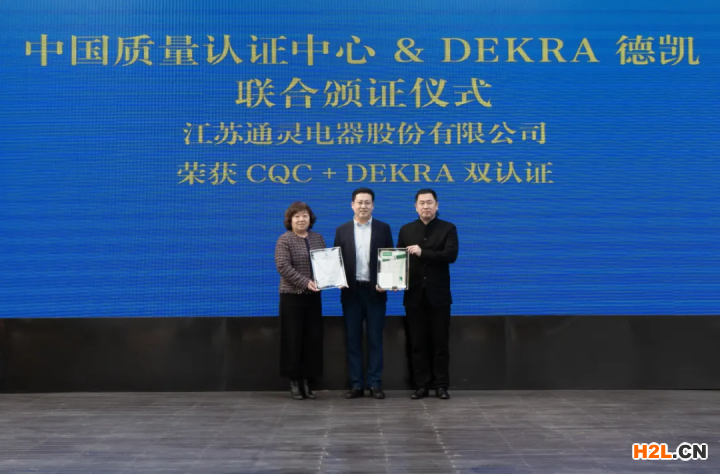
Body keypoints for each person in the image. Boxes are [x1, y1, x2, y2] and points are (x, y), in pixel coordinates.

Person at [397, 189, 458, 400]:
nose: (426, 206)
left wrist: (423, 252)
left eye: (429, 202)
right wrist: (394, 280)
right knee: (417, 343)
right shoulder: (406, 230)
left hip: (439, 295)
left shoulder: (448, 228)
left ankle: (441, 385)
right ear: (415, 206)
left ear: (437, 205)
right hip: (414, 296)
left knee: (440, 342)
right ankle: (421, 385)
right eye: (421, 203)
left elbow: (450, 255)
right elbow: (398, 260)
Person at [334, 188, 394, 399]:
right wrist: (336, 278)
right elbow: (336, 261)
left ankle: (375, 383)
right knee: (353, 339)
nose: (363, 206)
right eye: (359, 202)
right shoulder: (341, 230)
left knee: (375, 338)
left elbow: (390, 258)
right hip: (351, 293)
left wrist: (388, 281)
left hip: (375, 292)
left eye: (367, 202)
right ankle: (357, 384)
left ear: (373, 205)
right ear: (352, 205)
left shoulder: (383, 228)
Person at [275, 202, 325, 400]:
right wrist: (305, 282)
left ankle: (307, 381)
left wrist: (333, 280)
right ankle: (294, 381)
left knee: (312, 339)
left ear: (310, 218)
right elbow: (283, 266)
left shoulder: (318, 238)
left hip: (313, 297)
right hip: (292, 296)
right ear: (290, 220)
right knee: (293, 339)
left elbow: (326, 263)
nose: (301, 219)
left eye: (304, 215)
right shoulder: (284, 239)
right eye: (296, 216)